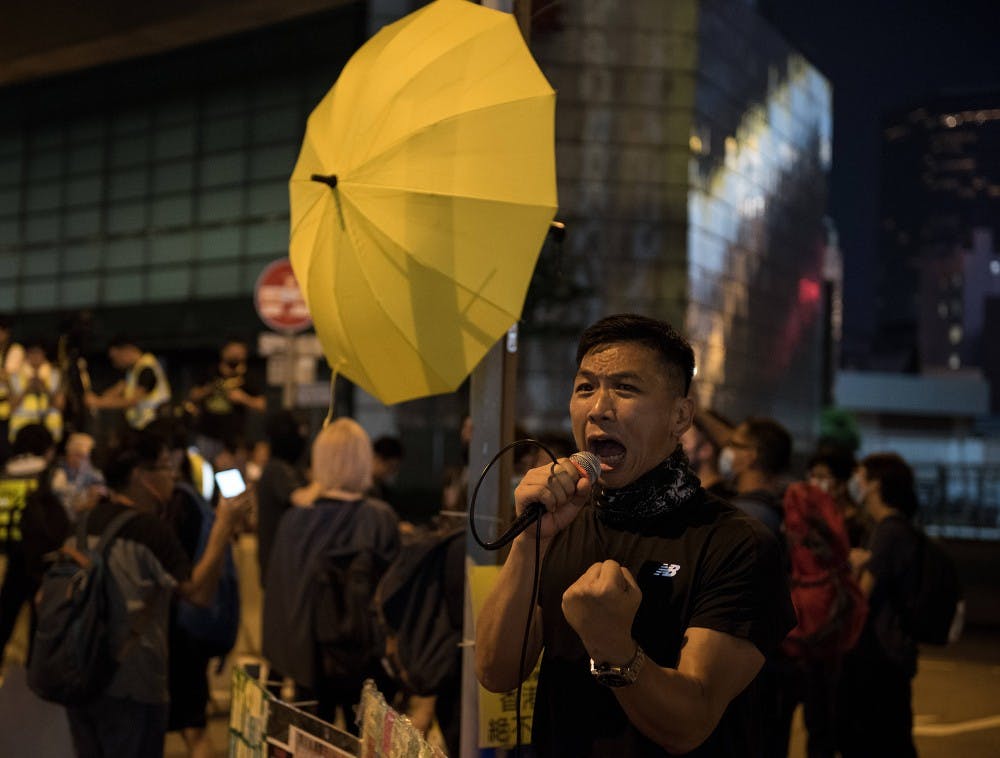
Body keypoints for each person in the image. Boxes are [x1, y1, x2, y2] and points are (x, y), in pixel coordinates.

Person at [475, 314, 795, 757]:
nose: (598, 408)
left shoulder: (736, 542)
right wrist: (530, 540)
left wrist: (611, 645)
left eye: (625, 388)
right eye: (585, 387)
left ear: (680, 415)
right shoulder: (559, 523)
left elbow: (690, 724)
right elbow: (496, 672)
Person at [63, 428, 249, 758]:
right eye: (163, 466)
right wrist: (222, 528)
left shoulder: (86, 519)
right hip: (133, 681)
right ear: (140, 475)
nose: (172, 474)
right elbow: (199, 594)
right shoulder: (149, 530)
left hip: (83, 672)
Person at [262, 418, 399, 730]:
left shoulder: (294, 522)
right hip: (367, 669)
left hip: (308, 666)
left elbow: (280, 602)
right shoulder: (380, 519)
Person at [837, 452, 922, 758]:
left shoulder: (888, 531)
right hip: (893, 653)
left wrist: (851, 567)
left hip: (879, 657)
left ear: (875, 484)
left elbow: (862, 596)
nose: (854, 482)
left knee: (878, 741)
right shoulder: (896, 528)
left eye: (859, 475)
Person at [0, 424, 66, 672]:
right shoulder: (50, 476)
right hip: (41, 557)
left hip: (9, 553)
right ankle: (35, 672)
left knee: (6, 613)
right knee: (39, 617)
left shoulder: (5, 472)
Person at [187, 339, 266, 467]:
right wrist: (210, 389)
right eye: (233, 353)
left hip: (232, 440)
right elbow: (193, 395)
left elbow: (262, 404)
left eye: (241, 354)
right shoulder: (211, 371)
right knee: (204, 473)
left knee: (230, 479)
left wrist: (243, 398)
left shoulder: (247, 376)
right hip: (207, 434)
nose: (237, 357)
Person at [717, 417, 792, 538]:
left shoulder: (744, 515)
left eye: (734, 444)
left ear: (751, 456)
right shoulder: (775, 508)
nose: (727, 451)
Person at [255, 410, 307, 583]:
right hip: (281, 569)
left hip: (279, 567)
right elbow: (301, 499)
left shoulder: (279, 469)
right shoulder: (277, 469)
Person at [85, 336, 172, 430]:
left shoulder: (146, 369)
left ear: (127, 350)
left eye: (115, 357)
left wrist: (99, 403)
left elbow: (133, 401)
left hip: (155, 426)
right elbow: (119, 388)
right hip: (143, 426)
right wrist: (97, 399)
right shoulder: (133, 370)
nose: (115, 363)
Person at [807, 446, 870, 548]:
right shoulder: (812, 516)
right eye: (812, 476)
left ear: (842, 484)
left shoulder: (859, 524)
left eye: (821, 477)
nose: (814, 484)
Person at [7, 340, 64, 444]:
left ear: (44, 354)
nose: (35, 356)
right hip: (21, 431)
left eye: (38, 352)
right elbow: (11, 406)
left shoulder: (55, 375)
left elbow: (59, 405)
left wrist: (45, 389)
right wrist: (27, 389)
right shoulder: (15, 377)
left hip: (49, 430)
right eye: (31, 352)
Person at [50, 432, 106, 522]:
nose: (81, 460)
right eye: (76, 455)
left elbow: (99, 495)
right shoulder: (56, 471)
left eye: (84, 457)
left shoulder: (94, 475)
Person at [0, 318, 25, 463]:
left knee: (4, 448)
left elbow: (7, 374)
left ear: (6, 332)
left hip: (9, 408)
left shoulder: (14, 350)